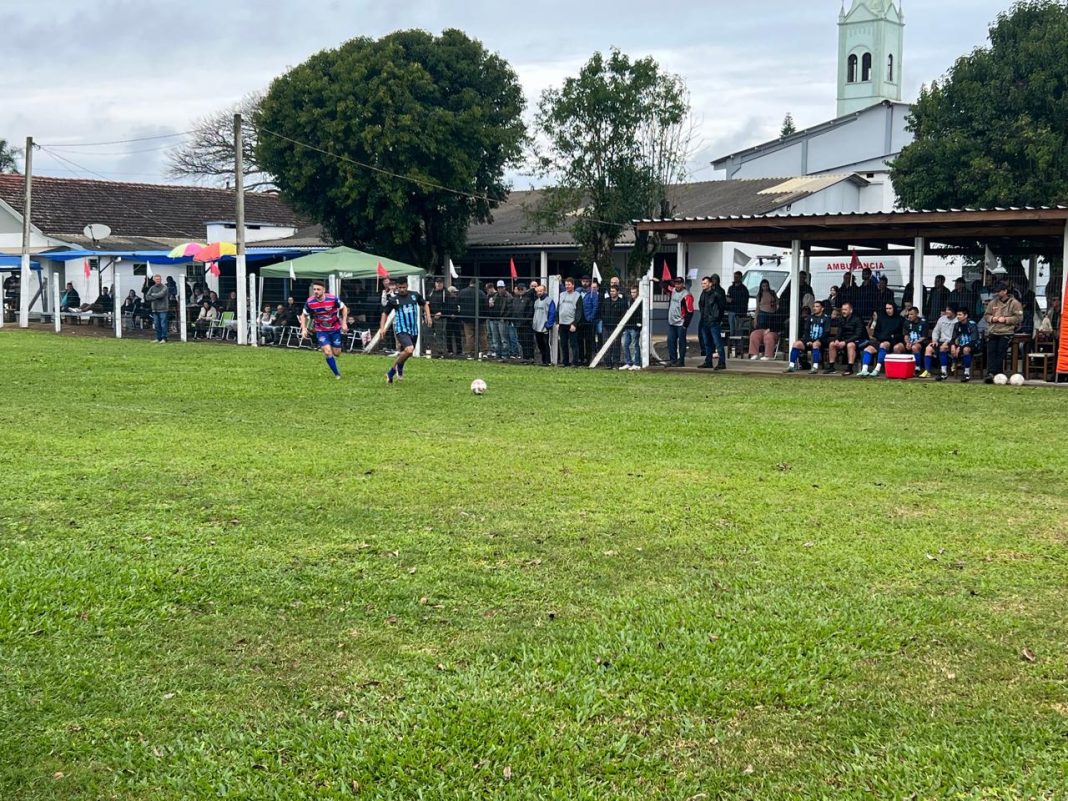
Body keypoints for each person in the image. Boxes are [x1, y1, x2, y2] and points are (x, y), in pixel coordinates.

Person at [381, 276, 431, 384]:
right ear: (397, 287)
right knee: (409, 349)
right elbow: (384, 313)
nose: (402, 290)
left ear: (407, 286)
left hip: (413, 329)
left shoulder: (414, 295)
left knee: (408, 353)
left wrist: (428, 316)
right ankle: (391, 371)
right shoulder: (394, 299)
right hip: (401, 329)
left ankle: (399, 368)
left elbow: (425, 304)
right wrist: (382, 328)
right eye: (400, 288)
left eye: (404, 287)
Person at [300, 279, 348, 379]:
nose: (316, 291)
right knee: (327, 352)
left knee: (337, 353)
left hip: (335, 328)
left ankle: (333, 352)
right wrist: (304, 328)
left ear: (324, 290)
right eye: (314, 289)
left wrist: (344, 323)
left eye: (318, 289)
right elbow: (303, 315)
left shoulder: (332, 299)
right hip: (321, 330)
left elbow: (344, 308)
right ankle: (337, 374)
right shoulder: (310, 301)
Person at [982, 281, 1023, 383]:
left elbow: (1019, 318)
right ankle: (991, 373)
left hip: (1006, 331)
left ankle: (997, 373)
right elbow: (986, 315)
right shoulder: (993, 302)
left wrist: (1006, 320)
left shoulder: (1015, 303)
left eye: (998, 291)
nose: (996, 293)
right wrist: (992, 318)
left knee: (1001, 352)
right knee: (991, 351)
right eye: (995, 291)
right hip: (993, 331)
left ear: (1005, 291)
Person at [859, 302, 905, 377]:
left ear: (894, 308)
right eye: (886, 308)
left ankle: (877, 369)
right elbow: (876, 332)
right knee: (868, 349)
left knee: (883, 345)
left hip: (893, 342)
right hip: (880, 340)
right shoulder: (881, 318)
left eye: (890, 308)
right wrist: (881, 337)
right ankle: (864, 370)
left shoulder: (900, 319)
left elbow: (901, 334)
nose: (888, 310)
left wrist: (891, 336)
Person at [787, 299, 831, 373]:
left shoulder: (826, 319)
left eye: (817, 306)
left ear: (822, 308)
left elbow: (826, 333)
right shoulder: (810, 317)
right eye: (814, 306)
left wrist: (817, 340)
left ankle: (815, 367)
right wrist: (809, 340)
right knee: (796, 344)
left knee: (815, 344)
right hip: (809, 340)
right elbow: (806, 331)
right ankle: (791, 366)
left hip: (821, 341)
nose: (814, 308)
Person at [825, 301, 865, 375]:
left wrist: (845, 342)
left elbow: (858, 335)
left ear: (851, 310)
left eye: (845, 310)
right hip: (845, 340)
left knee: (850, 345)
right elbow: (839, 332)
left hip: (859, 341)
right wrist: (836, 340)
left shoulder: (857, 319)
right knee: (832, 344)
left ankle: (849, 368)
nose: (843, 311)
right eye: (842, 310)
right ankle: (831, 367)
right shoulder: (841, 319)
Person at [697, 274, 727, 369]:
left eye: (705, 283)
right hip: (705, 321)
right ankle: (708, 361)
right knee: (707, 343)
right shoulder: (703, 294)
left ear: (710, 284)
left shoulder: (716, 294)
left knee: (718, 343)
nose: (703, 285)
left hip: (714, 322)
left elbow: (721, 307)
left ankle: (722, 362)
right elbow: (701, 305)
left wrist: (717, 319)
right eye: (702, 283)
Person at [943, 307, 979, 383]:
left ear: (966, 316)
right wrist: (953, 345)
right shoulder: (956, 325)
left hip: (973, 346)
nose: (958, 317)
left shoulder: (972, 324)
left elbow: (974, 341)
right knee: (943, 348)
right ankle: (943, 373)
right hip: (960, 346)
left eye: (960, 315)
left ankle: (966, 374)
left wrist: (960, 347)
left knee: (966, 349)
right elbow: (953, 338)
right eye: (957, 315)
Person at [922, 305, 958, 379]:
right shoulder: (941, 319)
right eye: (946, 310)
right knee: (928, 349)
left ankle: (943, 372)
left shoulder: (957, 320)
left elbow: (957, 335)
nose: (946, 311)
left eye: (949, 310)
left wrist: (948, 342)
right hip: (941, 341)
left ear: (954, 312)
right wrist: (934, 340)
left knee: (943, 348)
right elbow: (936, 331)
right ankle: (927, 371)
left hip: (952, 342)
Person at [665, 277, 694, 366]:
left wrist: (685, 325)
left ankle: (681, 361)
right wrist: (658, 280)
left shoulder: (686, 295)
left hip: (681, 323)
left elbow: (690, 311)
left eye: (679, 283)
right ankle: (673, 360)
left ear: (683, 284)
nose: (677, 285)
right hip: (672, 323)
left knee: (681, 343)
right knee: (670, 342)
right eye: (676, 283)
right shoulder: (673, 290)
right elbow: (664, 286)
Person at [556, 277, 584, 367]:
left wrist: (574, 324)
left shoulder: (577, 296)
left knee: (573, 344)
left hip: (571, 324)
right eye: (566, 285)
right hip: (562, 324)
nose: (567, 286)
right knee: (563, 344)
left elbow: (579, 311)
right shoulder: (561, 295)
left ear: (573, 285)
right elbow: (558, 309)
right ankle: (565, 362)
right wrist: (557, 322)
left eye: (569, 284)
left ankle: (575, 362)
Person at [599, 283, 627, 368]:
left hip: (616, 327)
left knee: (616, 345)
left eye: (613, 291)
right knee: (606, 344)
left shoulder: (622, 302)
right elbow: (601, 312)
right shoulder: (606, 301)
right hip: (606, 326)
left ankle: (615, 363)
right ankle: (607, 363)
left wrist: (619, 324)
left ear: (618, 292)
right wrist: (604, 320)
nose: (612, 293)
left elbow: (623, 314)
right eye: (611, 291)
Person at [531, 282, 557, 366]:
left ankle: (548, 361)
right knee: (540, 344)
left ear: (545, 291)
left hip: (545, 327)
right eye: (538, 291)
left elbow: (552, 313)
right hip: (537, 327)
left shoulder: (549, 301)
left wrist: (549, 324)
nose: (539, 293)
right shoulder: (536, 301)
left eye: (541, 291)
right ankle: (543, 360)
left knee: (546, 344)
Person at [426, 276, 450, 358]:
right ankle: (430, 351)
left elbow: (448, 305)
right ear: (435, 283)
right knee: (428, 334)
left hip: (441, 318)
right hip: (430, 316)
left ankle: (441, 352)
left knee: (440, 334)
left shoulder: (446, 293)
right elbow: (426, 303)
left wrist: (441, 313)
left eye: (440, 283)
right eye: (437, 282)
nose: (439, 284)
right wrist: (426, 314)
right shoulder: (430, 291)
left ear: (443, 283)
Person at [621, 285, 642, 370]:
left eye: (634, 292)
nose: (632, 294)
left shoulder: (641, 302)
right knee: (625, 344)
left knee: (635, 345)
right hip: (628, 326)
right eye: (631, 292)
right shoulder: (629, 301)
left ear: (638, 292)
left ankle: (637, 363)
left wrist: (638, 324)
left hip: (635, 327)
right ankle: (629, 362)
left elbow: (640, 314)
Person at [144, 274, 170, 343]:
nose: (158, 280)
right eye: (156, 279)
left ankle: (164, 338)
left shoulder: (165, 287)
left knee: (163, 324)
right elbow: (147, 297)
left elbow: (161, 295)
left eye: (159, 279)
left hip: (163, 309)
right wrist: (156, 297)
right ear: (154, 280)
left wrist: (152, 295)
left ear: (161, 280)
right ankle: (158, 338)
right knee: (156, 324)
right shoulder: (152, 288)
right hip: (154, 309)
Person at [902, 306, 927, 374]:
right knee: (897, 347)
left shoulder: (923, 322)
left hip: (920, 343)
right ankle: (900, 367)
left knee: (914, 347)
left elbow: (923, 337)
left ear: (917, 314)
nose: (909, 316)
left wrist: (913, 343)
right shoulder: (907, 322)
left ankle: (917, 367)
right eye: (909, 314)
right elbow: (906, 335)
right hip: (909, 343)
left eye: (911, 314)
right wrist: (907, 342)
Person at [727, 271, 750, 341]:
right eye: (734, 277)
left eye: (737, 277)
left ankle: (739, 345)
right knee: (732, 330)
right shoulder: (731, 288)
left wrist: (732, 300)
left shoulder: (744, 289)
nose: (735, 278)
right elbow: (728, 298)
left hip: (740, 313)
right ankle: (732, 344)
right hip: (731, 311)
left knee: (739, 331)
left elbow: (744, 301)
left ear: (741, 277)